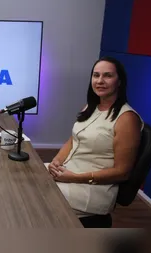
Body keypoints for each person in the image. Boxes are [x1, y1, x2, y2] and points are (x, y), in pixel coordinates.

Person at [47, 56, 143, 226]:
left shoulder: (127, 118)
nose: (100, 81)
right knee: (27, 177)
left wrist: (74, 178)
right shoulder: (90, 107)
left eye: (107, 76)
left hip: (91, 189)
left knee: (35, 195)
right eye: (96, 75)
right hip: (69, 172)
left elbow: (122, 172)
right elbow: (73, 139)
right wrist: (57, 161)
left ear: (119, 81)